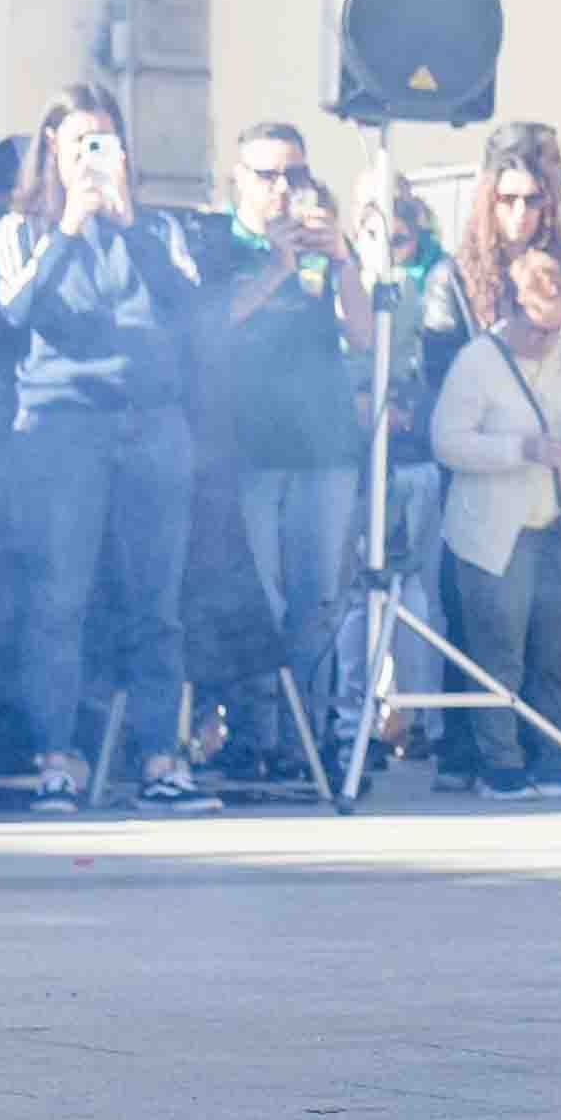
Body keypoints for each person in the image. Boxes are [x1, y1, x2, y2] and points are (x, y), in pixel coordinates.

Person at [0, 91, 216, 811]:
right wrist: (68, 228)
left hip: (151, 424)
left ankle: (160, 760)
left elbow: (187, 308)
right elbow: (17, 310)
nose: (94, 157)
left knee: (158, 604)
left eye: (106, 143)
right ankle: (57, 758)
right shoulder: (18, 229)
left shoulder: (160, 229)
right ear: (52, 148)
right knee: (59, 597)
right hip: (62, 425)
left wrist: (128, 226)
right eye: (81, 142)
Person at [204, 121, 375, 788]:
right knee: (259, 599)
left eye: (295, 175)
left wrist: (343, 262)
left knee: (320, 600)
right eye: (269, 175)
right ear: (239, 180)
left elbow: (362, 337)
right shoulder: (220, 242)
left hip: (324, 444)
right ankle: (255, 734)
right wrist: (278, 266)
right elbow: (215, 326)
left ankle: (310, 736)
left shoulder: (323, 243)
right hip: (249, 445)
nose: (284, 189)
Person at [427, 236, 561, 792]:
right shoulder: (477, 361)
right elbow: (446, 441)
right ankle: (500, 762)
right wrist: (521, 450)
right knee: (498, 652)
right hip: (494, 533)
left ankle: (558, 756)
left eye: (555, 326)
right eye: (535, 326)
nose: (547, 339)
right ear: (508, 311)